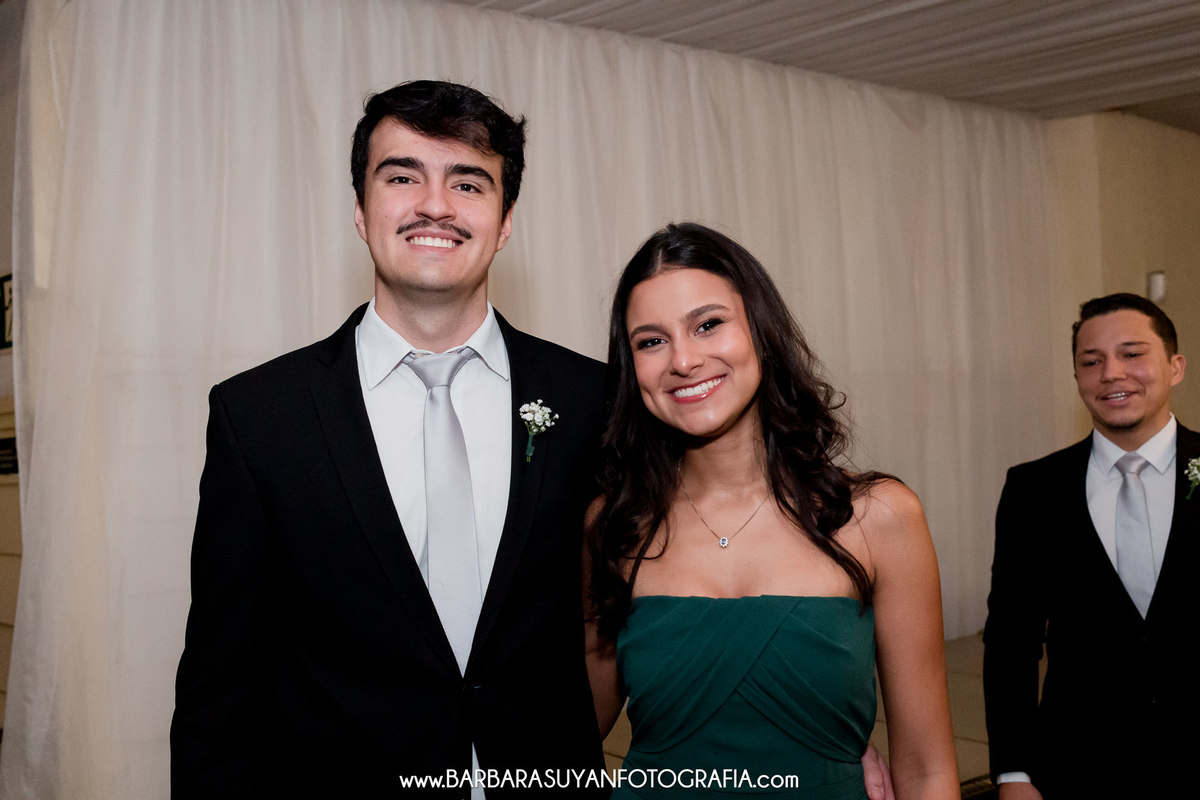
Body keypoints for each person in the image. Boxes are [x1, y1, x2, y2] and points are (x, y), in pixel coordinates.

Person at [170, 80, 608, 799]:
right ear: (360, 209)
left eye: (468, 182)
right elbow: (219, 690)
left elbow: (633, 609)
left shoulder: (593, 400)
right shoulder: (259, 417)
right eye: (402, 177)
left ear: (504, 222)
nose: (436, 205)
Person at [584, 223, 959, 799]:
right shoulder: (614, 525)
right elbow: (566, 733)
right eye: (651, 341)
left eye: (708, 324)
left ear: (761, 330)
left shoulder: (877, 516)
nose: (683, 359)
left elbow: (928, 768)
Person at [983, 293, 1196, 799]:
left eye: (1132, 354)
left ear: (1176, 367)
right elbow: (1011, 642)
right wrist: (1013, 773)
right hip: (1078, 768)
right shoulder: (1033, 488)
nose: (1111, 373)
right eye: (1091, 361)